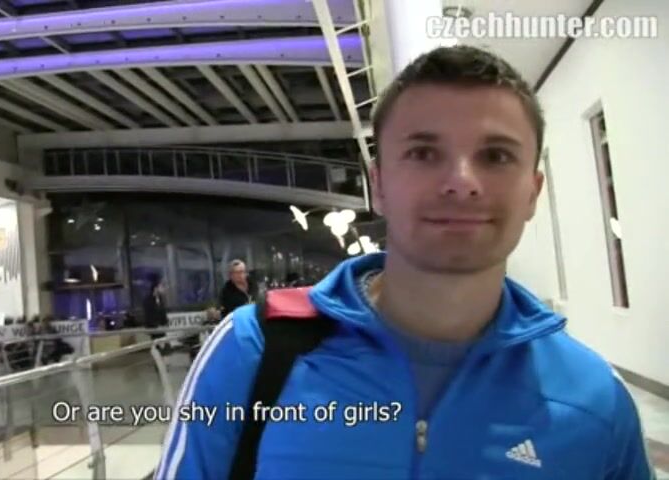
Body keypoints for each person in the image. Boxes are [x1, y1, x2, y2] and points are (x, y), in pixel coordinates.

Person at [156, 46, 653, 479]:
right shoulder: (254, 351)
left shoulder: (595, 401)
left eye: (496, 156)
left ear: (532, 192)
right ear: (378, 186)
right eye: (423, 153)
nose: (461, 182)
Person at [143, 275, 169, 350]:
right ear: (156, 288)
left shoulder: (160, 299)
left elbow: (163, 313)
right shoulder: (147, 300)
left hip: (162, 329)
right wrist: (157, 326)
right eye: (161, 287)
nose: (164, 289)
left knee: (164, 346)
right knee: (156, 347)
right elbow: (148, 316)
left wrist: (166, 323)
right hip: (154, 329)